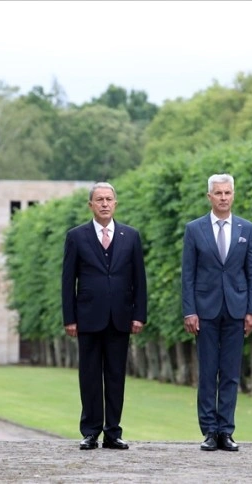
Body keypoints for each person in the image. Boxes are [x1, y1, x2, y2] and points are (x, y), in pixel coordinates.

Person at [61, 182, 148, 451]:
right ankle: (90, 431)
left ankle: (113, 431)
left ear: (116, 203)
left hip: (120, 317)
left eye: (109, 199)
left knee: (115, 376)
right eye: (99, 199)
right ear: (91, 205)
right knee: (88, 376)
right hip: (87, 317)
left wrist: (139, 315)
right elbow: (68, 280)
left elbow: (139, 280)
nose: (105, 204)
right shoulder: (76, 236)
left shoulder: (130, 236)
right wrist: (70, 318)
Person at [181, 173, 252, 452]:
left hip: (237, 309)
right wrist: (189, 310)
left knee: (230, 373)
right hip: (204, 310)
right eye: (218, 193)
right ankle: (209, 432)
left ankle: (226, 430)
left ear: (233, 195)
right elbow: (187, 274)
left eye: (227, 193)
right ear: (209, 197)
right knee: (207, 372)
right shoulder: (194, 229)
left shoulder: (246, 229)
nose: (223, 197)